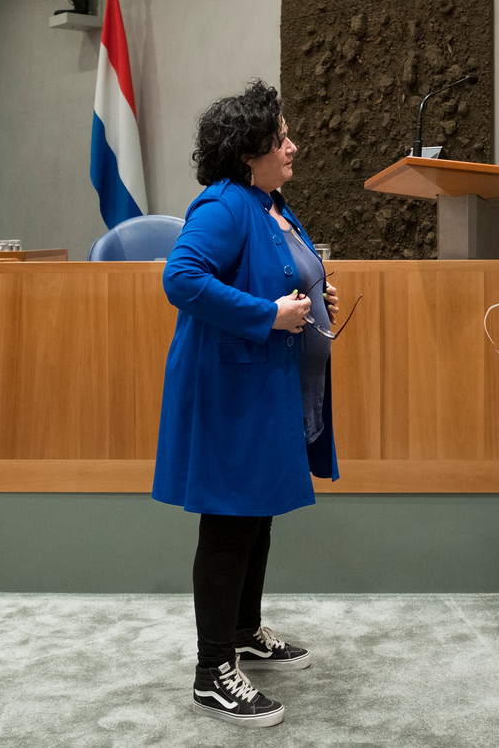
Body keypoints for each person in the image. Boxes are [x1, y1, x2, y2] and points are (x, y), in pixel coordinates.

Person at [154, 80, 341, 728]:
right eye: (281, 137)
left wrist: (313, 302)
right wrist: (268, 314)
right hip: (231, 389)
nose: (293, 145)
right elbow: (181, 278)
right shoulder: (224, 205)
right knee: (231, 522)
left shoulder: (271, 202)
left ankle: (242, 629)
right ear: (248, 150)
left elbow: (289, 274)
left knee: (255, 514)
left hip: (267, 386)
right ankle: (212, 672)